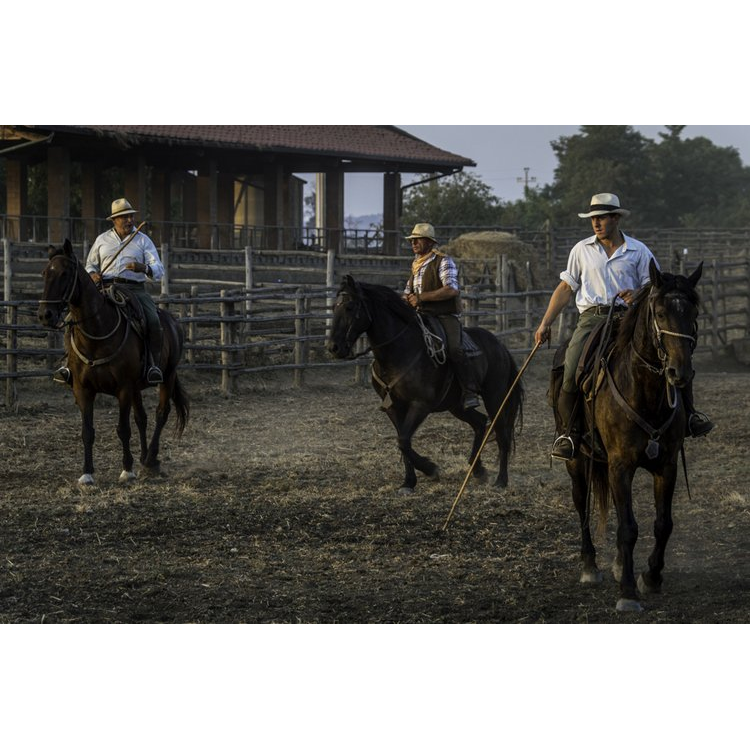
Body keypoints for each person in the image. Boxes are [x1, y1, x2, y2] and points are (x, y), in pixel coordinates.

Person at [535, 192, 714, 461]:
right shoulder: (581, 249)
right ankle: (569, 433)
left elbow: (656, 288)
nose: (596, 223)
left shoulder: (640, 251)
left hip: (631, 318)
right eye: (593, 218)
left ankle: (690, 415)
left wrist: (637, 294)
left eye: (602, 218)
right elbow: (565, 288)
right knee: (571, 365)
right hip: (593, 318)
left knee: (674, 357)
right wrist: (545, 322)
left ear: (616, 218)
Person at [54, 197, 165, 386]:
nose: (129, 220)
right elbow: (90, 265)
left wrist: (143, 268)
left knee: (153, 320)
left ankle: (152, 366)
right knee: (70, 321)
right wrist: (93, 274)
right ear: (114, 220)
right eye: (124, 217)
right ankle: (68, 366)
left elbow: (159, 269)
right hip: (103, 288)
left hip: (134, 289)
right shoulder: (102, 240)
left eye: (130, 216)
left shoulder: (143, 240)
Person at [402, 222, 480, 410]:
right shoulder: (416, 264)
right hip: (421, 316)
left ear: (429, 242)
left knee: (455, 349)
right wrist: (404, 299)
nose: (413, 243)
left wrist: (421, 298)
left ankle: (469, 390)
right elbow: (407, 292)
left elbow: (451, 290)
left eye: (417, 240)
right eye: (412, 240)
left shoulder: (443, 261)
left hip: (444, 316)